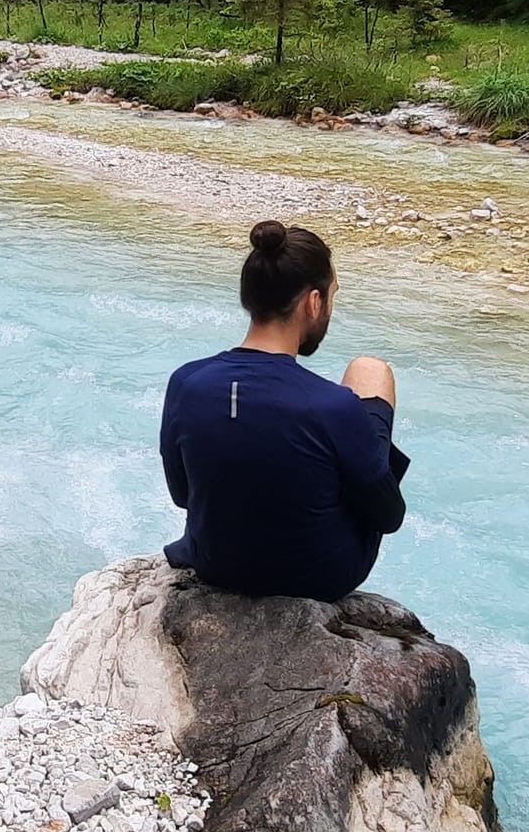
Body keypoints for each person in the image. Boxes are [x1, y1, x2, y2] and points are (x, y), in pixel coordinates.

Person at [158, 220, 410, 601]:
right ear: (313, 302)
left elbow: (182, 496)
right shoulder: (333, 405)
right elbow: (388, 517)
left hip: (215, 564)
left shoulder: (185, 382)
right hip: (316, 578)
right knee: (369, 370)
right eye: (331, 296)